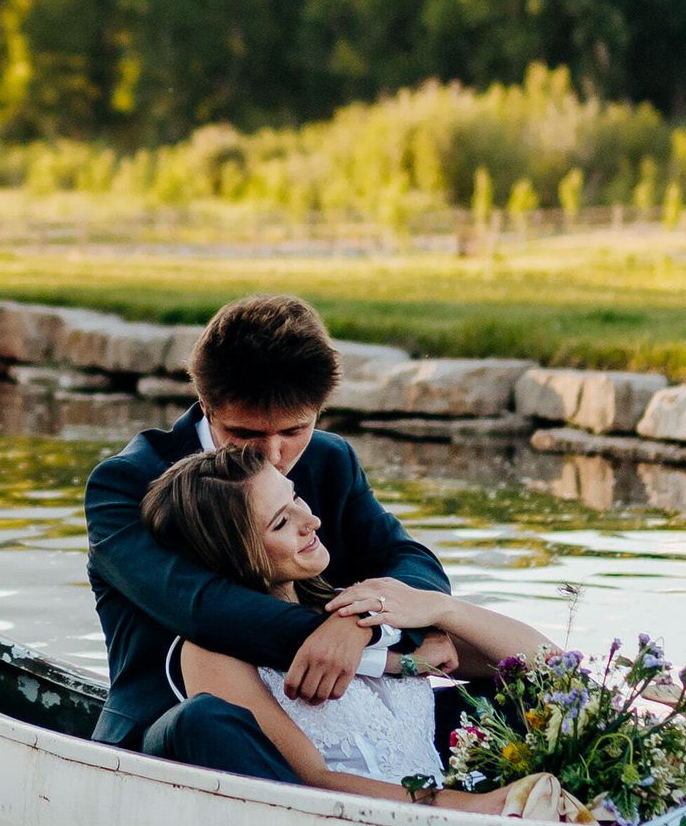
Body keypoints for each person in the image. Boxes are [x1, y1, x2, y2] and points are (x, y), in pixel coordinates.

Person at [83, 295, 445, 769]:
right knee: (206, 721)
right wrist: (366, 640)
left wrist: (362, 622)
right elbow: (201, 607)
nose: (274, 455)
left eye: (294, 431)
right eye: (247, 433)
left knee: (504, 693)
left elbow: (414, 564)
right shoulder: (126, 483)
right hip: (181, 732)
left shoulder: (331, 459)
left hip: (331, 717)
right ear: (206, 406)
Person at [137, 443, 551, 807]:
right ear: (234, 555)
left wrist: (442, 608)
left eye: (295, 497)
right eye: (280, 523)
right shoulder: (211, 651)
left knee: (537, 698)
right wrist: (471, 808)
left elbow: (550, 668)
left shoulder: (358, 604)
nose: (311, 521)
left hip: (448, 801)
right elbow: (312, 780)